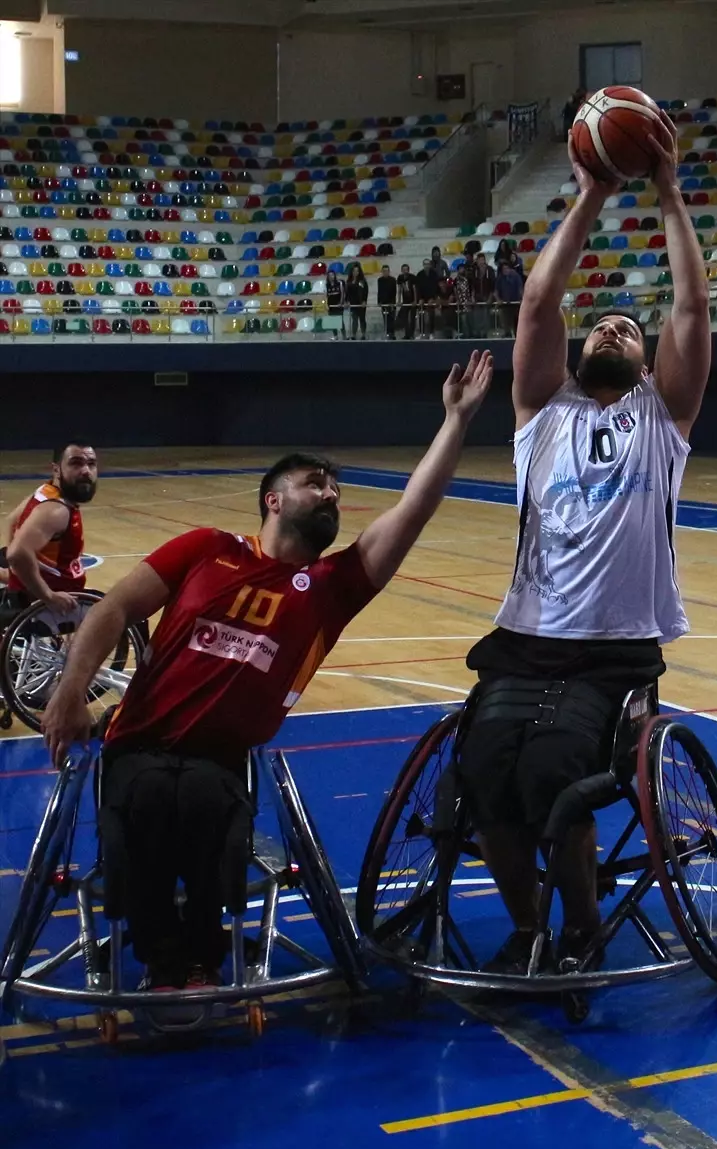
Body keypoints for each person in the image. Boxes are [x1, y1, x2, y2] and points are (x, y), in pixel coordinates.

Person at [40, 353, 494, 990]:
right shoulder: (207, 549)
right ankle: (159, 959)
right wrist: (67, 694)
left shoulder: (335, 586)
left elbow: (414, 510)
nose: (330, 493)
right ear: (274, 499)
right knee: (143, 801)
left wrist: (456, 420)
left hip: (220, 763)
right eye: (316, 483)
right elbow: (113, 607)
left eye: (335, 487)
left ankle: (195, 962)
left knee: (200, 804)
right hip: (137, 742)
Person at [456, 114, 712, 971]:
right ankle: (528, 926)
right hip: (526, 636)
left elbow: (691, 305)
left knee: (558, 783)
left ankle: (579, 926)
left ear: (648, 363)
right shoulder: (541, 411)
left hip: (613, 651)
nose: (609, 330)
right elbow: (538, 302)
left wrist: (668, 192)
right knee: (483, 777)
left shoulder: (662, 418)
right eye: (599, 326)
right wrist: (592, 193)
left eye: (626, 330)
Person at [4, 444, 98, 619]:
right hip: (52, 603)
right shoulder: (56, 511)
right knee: (127, 614)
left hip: (31, 592)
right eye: (76, 463)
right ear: (56, 470)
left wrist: (14, 576)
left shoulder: (45, 491)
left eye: (91, 464)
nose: (86, 471)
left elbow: (12, 520)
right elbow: (16, 554)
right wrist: (48, 595)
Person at [414, 258, 439, 339]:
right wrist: (420, 298)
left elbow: (436, 287)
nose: (427, 266)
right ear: (423, 265)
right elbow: (418, 288)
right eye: (425, 264)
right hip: (422, 299)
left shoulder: (434, 274)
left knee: (431, 314)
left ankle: (432, 333)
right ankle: (422, 333)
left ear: (430, 265)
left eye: (428, 264)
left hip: (431, 298)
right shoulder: (419, 274)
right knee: (421, 314)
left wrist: (432, 298)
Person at [346, 265, 369, 340]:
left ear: (359, 272)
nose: (355, 272)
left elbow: (365, 292)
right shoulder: (349, 281)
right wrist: (347, 301)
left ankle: (363, 334)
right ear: (352, 272)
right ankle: (354, 335)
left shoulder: (362, 281)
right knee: (354, 320)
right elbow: (347, 293)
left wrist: (364, 301)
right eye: (354, 271)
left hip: (361, 303)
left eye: (357, 271)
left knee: (362, 319)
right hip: (353, 303)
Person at [377, 263, 398, 340]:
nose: (385, 272)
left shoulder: (393, 280)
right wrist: (379, 301)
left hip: (391, 302)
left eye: (386, 271)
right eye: (384, 271)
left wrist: (392, 303)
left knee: (391, 319)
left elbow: (394, 292)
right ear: (382, 272)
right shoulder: (380, 280)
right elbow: (379, 291)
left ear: (389, 271)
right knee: (385, 319)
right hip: (383, 302)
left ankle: (392, 334)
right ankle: (387, 333)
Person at [397, 262, 418, 340]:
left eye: (406, 269)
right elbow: (399, 290)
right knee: (404, 318)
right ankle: (407, 334)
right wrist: (399, 300)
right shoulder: (400, 278)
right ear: (401, 270)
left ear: (408, 270)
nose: (405, 271)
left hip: (412, 300)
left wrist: (415, 300)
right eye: (403, 270)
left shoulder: (412, 277)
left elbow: (414, 289)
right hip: (405, 301)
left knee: (412, 318)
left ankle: (411, 334)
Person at [325, 270, 346, 339]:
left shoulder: (339, 283)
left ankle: (344, 336)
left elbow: (342, 294)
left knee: (340, 322)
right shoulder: (327, 285)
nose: (331, 277)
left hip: (338, 306)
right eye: (329, 275)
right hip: (331, 306)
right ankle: (335, 336)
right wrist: (326, 305)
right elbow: (326, 296)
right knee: (333, 322)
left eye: (332, 275)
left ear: (334, 276)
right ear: (328, 277)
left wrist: (341, 302)